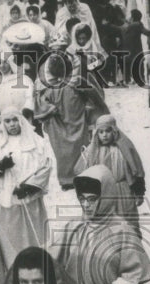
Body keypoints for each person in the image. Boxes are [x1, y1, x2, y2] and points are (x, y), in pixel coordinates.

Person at [0, 107, 53, 259]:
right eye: (7, 121)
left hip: (29, 195)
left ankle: (38, 256)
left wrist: (30, 187)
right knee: (13, 233)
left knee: (34, 233)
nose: (12, 124)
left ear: (21, 120)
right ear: (2, 123)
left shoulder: (35, 140)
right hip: (7, 197)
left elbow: (46, 165)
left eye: (15, 120)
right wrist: (0, 166)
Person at [34, 53, 106, 189]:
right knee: (79, 148)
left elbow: (39, 105)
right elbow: (96, 95)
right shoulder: (76, 81)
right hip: (74, 120)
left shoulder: (45, 86)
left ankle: (67, 180)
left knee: (63, 152)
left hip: (60, 123)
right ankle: (81, 175)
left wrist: (49, 109)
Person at [75, 114, 146, 232]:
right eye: (101, 132)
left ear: (114, 131)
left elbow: (136, 170)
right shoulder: (92, 151)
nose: (104, 135)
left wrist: (139, 193)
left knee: (127, 224)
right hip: (101, 193)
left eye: (108, 131)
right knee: (103, 226)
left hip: (122, 192)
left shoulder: (124, 148)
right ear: (96, 134)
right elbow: (80, 172)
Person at [0, 54, 35, 136]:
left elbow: (30, 97)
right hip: (5, 122)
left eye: (5, 62)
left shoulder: (23, 79)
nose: (2, 65)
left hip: (23, 118)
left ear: (11, 63)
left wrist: (25, 111)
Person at [120, 8, 150, 87]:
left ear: (132, 18)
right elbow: (146, 32)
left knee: (129, 65)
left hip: (127, 50)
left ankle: (127, 80)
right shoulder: (138, 24)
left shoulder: (126, 27)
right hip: (136, 50)